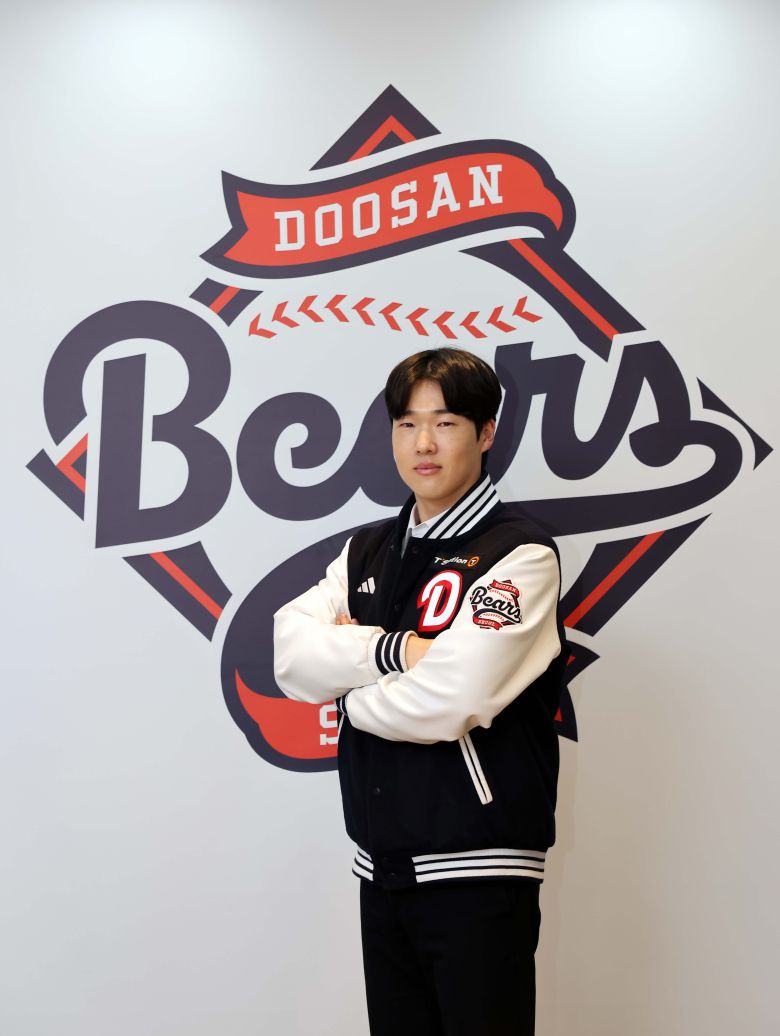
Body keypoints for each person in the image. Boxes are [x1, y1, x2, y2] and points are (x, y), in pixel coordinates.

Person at [273, 347, 568, 1035]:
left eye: (445, 423)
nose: (423, 444)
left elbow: (451, 699)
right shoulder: (366, 551)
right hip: (382, 867)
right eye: (407, 424)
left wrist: (345, 693)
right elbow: (291, 654)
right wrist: (396, 652)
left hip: (480, 868)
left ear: (486, 433)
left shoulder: (520, 553)